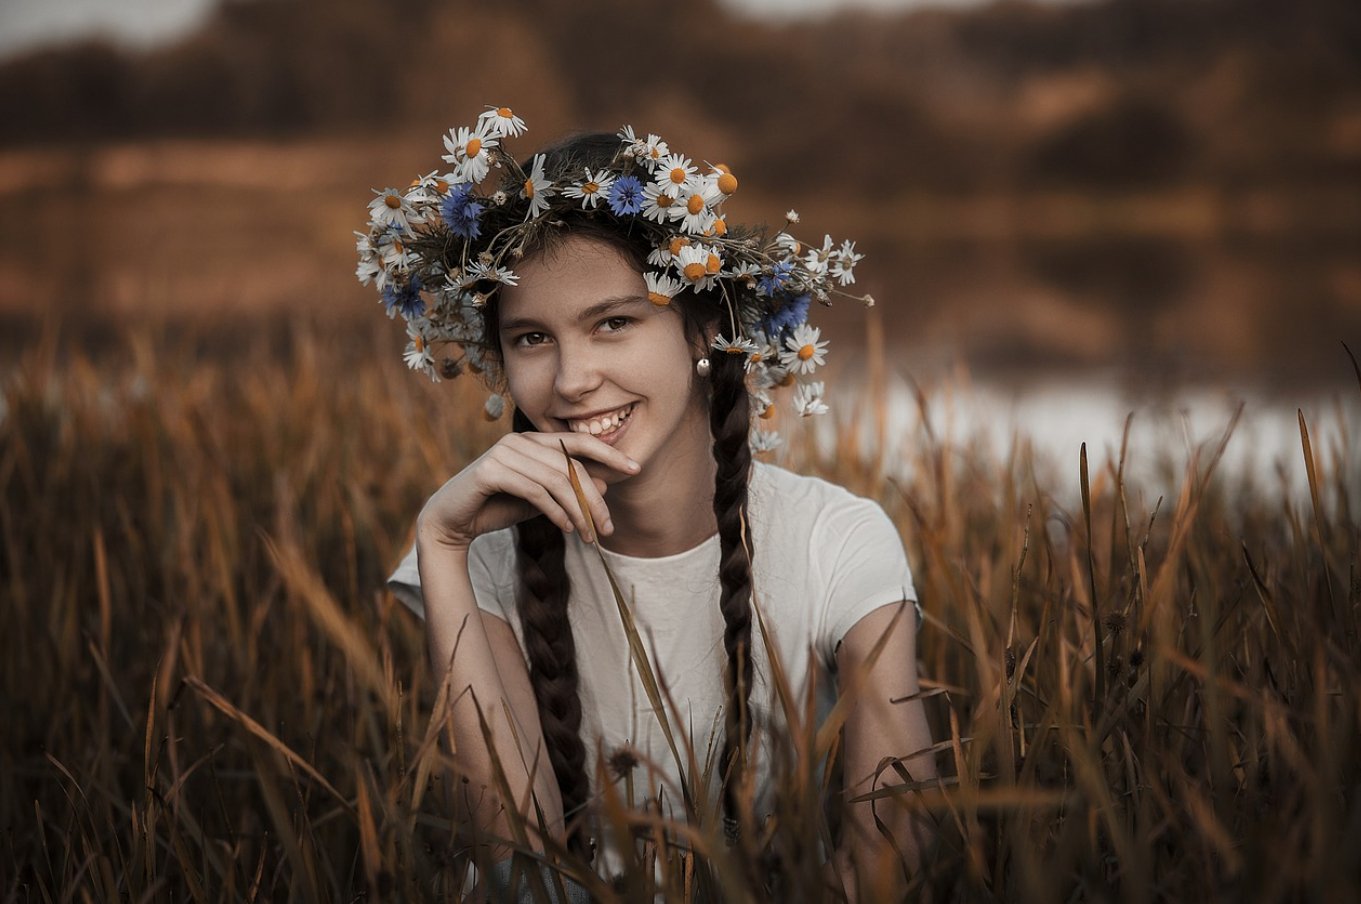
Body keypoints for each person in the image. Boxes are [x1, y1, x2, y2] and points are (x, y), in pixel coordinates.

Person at [360, 106, 936, 900]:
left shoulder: (834, 543)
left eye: (613, 323)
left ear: (702, 330)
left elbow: (892, 848)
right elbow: (512, 864)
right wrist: (441, 541)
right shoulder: (479, 561)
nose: (571, 381)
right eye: (531, 338)